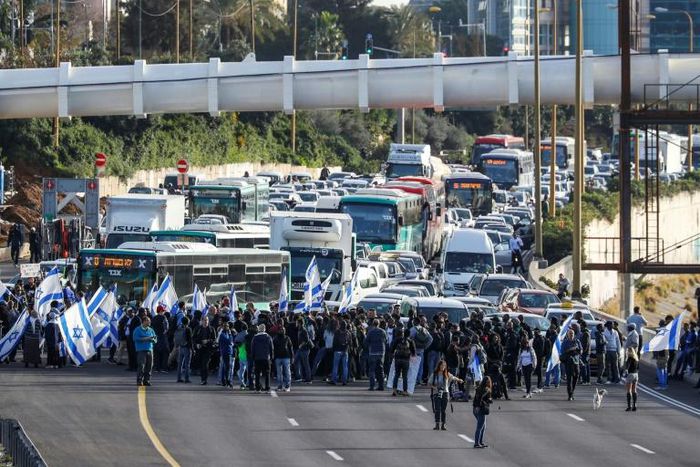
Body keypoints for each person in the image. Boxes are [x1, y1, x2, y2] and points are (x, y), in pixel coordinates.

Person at [430, 360, 463, 431]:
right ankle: (437, 424)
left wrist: (459, 380)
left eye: (444, 366)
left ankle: (443, 425)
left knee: (443, 410)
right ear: (439, 366)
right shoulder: (435, 374)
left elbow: (453, 377)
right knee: (437, 409)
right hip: (436, 393)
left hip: (445, 393)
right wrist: (435, 388)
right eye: (441, 365)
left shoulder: (447, 374)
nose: (443, 367)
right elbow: (429, 383)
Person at [391, 328, 416, 396]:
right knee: (405, 376)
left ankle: (394, 390)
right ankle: (405, 391)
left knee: (397, 375)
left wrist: (393, 355)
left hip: (398, 359)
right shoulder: (410, 341)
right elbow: (414, 353)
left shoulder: (398, 340)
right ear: (409, 334)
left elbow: (392, 349)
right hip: (406, 360)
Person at [133, 316, 157, 386]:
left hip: (150, 350)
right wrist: (146, 338)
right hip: (141, 350)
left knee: (149, 366)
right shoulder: (137, 329)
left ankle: (147, 380)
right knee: (141, 365)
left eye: (149, 321)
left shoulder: (151, 330)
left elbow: (155, 339)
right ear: (143, 321)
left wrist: (153, 340)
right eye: (148, 321)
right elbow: (135, 338)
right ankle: (139, 380)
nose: (149, 322)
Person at [251, 324, 274, 393]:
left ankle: (258, 388)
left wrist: (253, 356)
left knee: (257, 373)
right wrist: (272, 357)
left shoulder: (255, 337)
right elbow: (271, 348)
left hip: (257, 358)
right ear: (265, 329)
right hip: (266, 357)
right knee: (267, 373)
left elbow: (252, 348)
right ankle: (267, 388)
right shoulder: (268, 337)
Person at [194, 316, 216, 385]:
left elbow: (214, 339)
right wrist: (196, 344)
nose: (206, 322)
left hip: (208, 349)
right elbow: (193, 338)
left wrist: (208, 341)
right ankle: (202, 378)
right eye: (204, 320)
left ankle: (204, 379)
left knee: (205, 364)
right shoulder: (198, 328)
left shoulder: (211, 329)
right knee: (201, 364)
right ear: (201, 321)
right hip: (200, 349)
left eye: (207, 320)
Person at [365, 319, 387, 391]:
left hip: (372, 352)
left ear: (373, 324)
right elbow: (385, 340)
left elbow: (366, 342)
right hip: (381, 352)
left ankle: (372, 386)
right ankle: (381, 386)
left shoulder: (370, 332)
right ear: (379, 324)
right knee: (380, 370)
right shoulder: (383, 331)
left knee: (372, 370)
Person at [561, 328, 582, 401]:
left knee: (576, 377)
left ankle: (572, 391)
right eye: (570, 334)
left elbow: (581, 350)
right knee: (569, 379)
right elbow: (563, 352)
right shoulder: (565, 342)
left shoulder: (577, 341)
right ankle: (570, 395)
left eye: (572, 333)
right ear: (567, 335)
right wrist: (571, 350)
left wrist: (577, 350)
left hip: (576, 362)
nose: (571, 335)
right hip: (568, 362)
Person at [472, 376, 493, 449]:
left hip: (475, 409)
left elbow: (477, 399)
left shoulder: (479, 388)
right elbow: (484, 400)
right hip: (481, 409)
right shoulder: (487, 390)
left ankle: (480, 442)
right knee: (480, 427)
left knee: (482, 426)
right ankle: (477, 443)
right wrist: (489, 400)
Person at [273, 326, 293, 392]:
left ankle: (287, 386)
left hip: (285, 357)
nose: (282, 331)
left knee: (286, 372)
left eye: (283, 330)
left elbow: (290, 348)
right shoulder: (276, 338)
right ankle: (280, 386)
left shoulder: (287, 338)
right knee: (280, 373)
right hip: (280, 357)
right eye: (281, 330)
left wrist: (292, 357)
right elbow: (273, 348)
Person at [331, 321, 352, 386]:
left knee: (335, 366)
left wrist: (334, 349)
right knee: (345, 366)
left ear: (340, 325)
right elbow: (350, 342)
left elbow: (334, 342)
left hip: (337, 350)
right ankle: (344, 381)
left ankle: (334, 380)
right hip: (345, 351)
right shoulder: (348, 332)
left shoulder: (337, 332)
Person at [151, 306, 170, 373]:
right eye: (163, 310)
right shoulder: (164, 317)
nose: (164, 312)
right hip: (162, 337)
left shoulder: (154, 318)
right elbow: (166, 327)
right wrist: (164, 332)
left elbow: (152, 327)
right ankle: (164, 368)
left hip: (155, 337)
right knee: (165, 352)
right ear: (161, 311)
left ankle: (156, 367)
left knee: (156, 353)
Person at [174, 317, 193, 383]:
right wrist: (192, 349)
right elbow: (190, 340)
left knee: (180, 364)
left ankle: (179, 378)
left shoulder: (179, 328)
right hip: (187, 347)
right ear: (188, 322)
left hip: (180, 346)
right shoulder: (188, 329)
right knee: (187, 364)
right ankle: (186, 378)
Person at [218, 322, 235, 388]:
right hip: (225, 352)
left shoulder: (226, 333)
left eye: (227, 326)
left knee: (226, 367)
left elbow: (231, 342)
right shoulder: (222, 334)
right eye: (225, 326)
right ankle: (226, 381)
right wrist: (230, 334)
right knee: (227, 367)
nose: (227, 327)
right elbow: (229, 341)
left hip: (229, 351)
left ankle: (224, 381)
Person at [625, 347, 639, 411]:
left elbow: (627, 367)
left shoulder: (629, 358)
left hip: (630, 375)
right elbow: (638, 368)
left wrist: (625, 370)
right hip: (636, 375)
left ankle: (629, 406)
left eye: (627, 351)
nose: (627, 352)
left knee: (629, 391)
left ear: (629, 352)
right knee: (634, 390)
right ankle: (635, 405)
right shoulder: (636, 358)